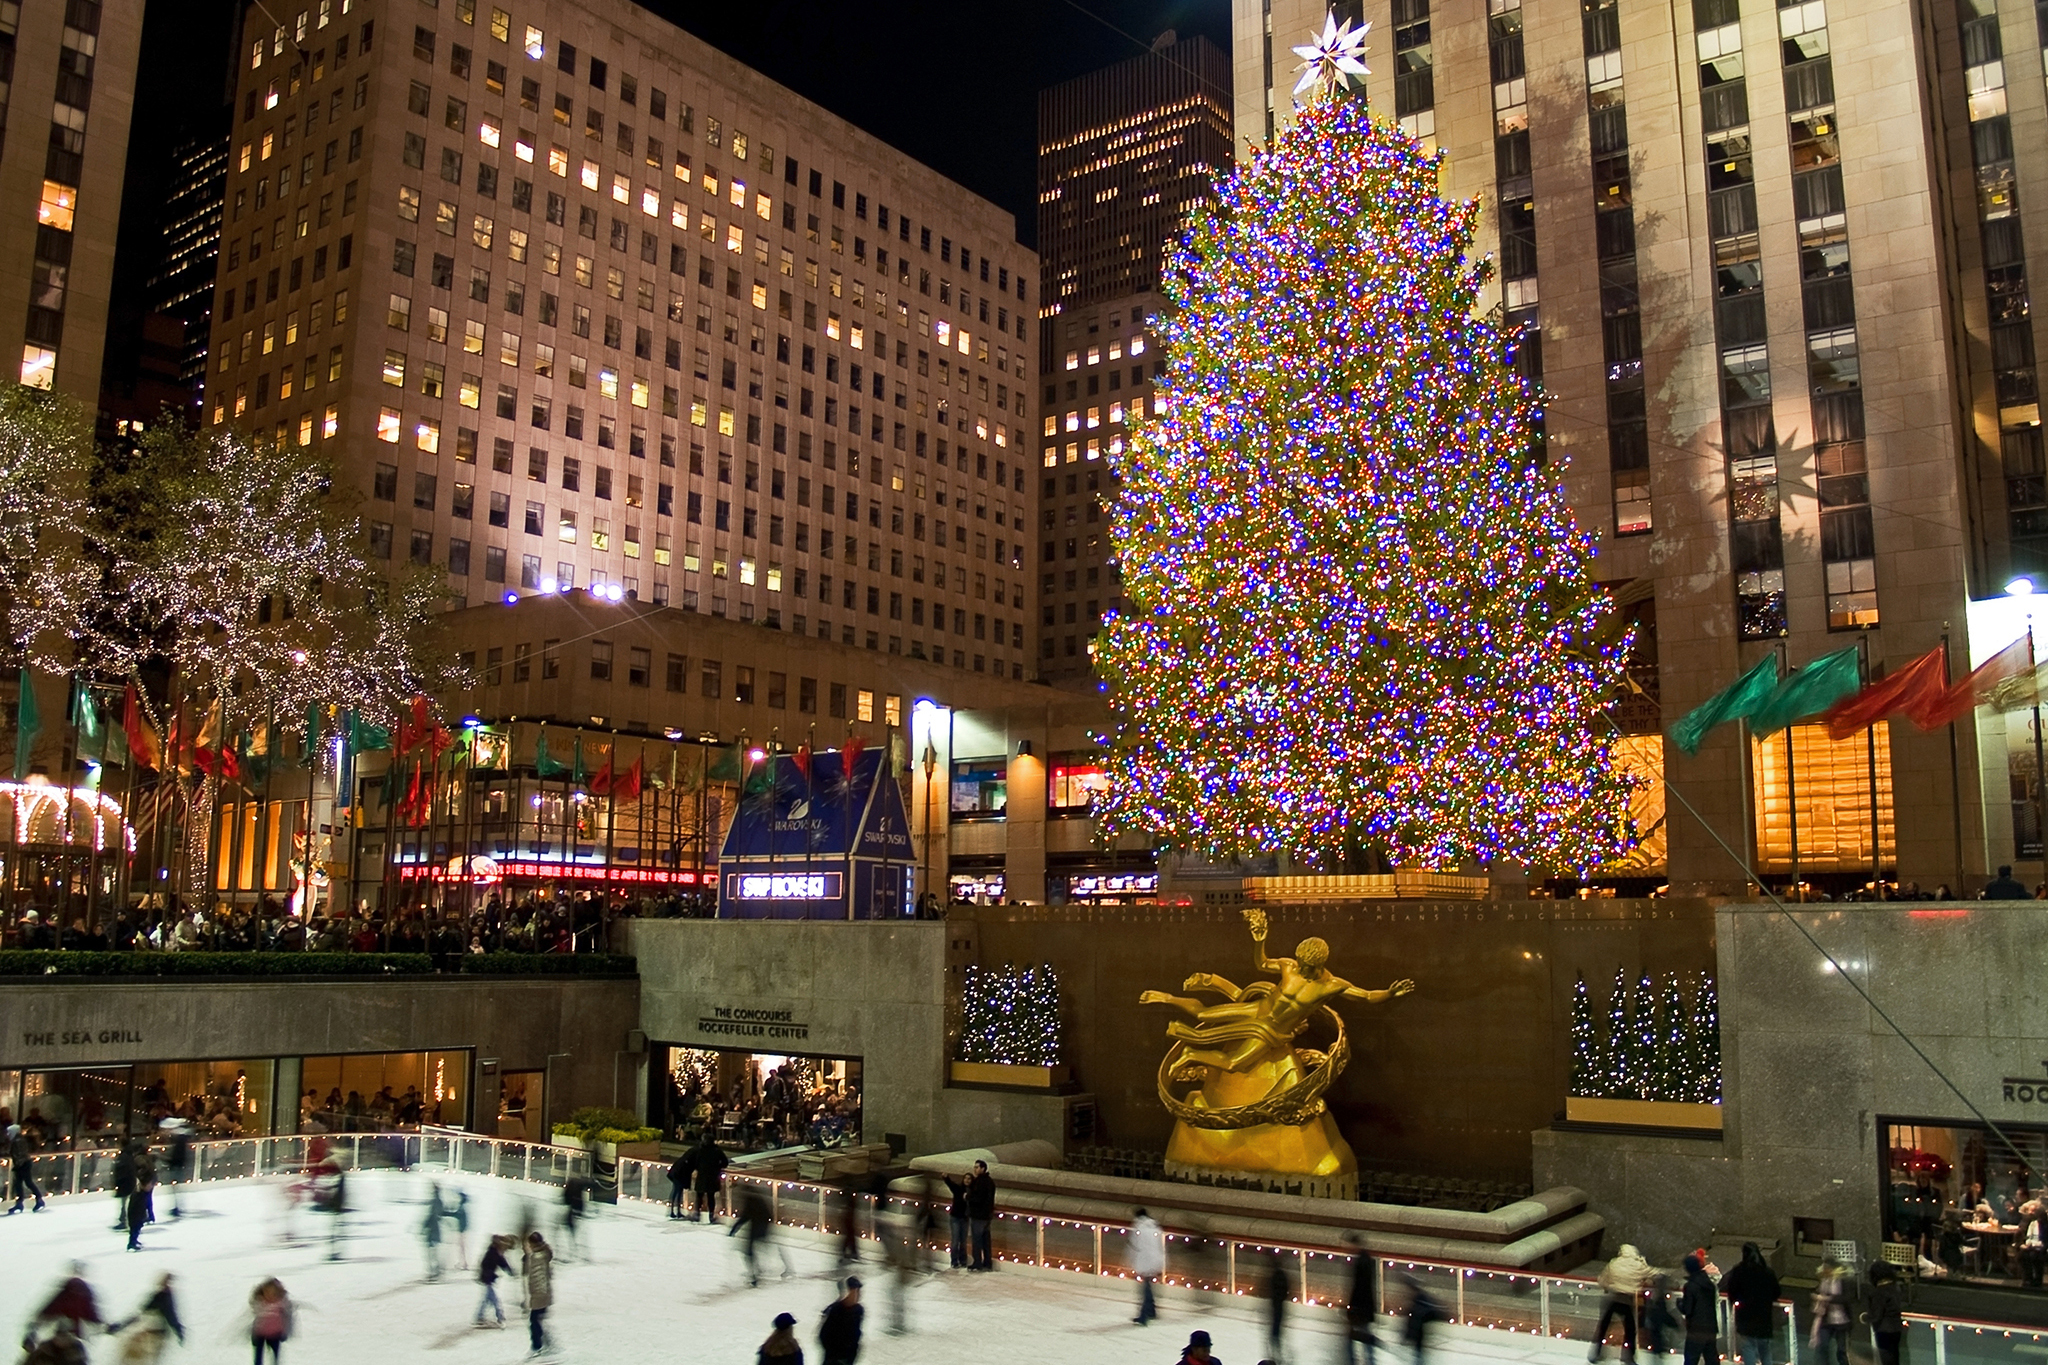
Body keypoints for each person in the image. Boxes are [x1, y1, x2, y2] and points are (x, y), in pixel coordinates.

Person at [1718, 1242, 1781, 1365]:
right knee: (1765, 1348)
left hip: (1745, 1315)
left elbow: (1732, 1291)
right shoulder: (1767, 1272)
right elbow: (1776, 1292)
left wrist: (1737, 1302)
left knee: (1748, 1346)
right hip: (1764, 1315)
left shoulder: (1738, 1271)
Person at [1590, 1243, 1650, 1363]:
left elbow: (1602, 1280)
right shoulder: (1637, 1264)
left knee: (1603, 1327)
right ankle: (1628, 1357)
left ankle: (1595, 1353)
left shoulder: (1614, 1263)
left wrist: (1611, 1287)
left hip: (1612, 1299)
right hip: (1627, 1301)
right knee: (1630, 1331)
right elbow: (1648, 1277)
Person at [111, 1272, 185, 1364]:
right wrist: (179, 1331)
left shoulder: (158, 1296)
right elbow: (170, 1316)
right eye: (168, 1282)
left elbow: (141, 1313)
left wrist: (120, 1326)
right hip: (154, 1334)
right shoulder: (163, 1296)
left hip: (149, 1333)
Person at [1677, 1254, 1719, 1365]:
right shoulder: (1710, 1285)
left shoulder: (1690, 1286)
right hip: (1711, 1328)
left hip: (1696, 1329)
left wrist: (1679, 1303)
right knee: (1712, 1359)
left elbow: (1688, 1309)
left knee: (1691, 1360)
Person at [1344, 1235, 1379, 1365]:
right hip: (1365, 1308)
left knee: (1356, 1338)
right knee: (1365, 1338)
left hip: (1360, 1309)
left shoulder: (1361, 1262)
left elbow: (1359, 1288)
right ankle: (1369, 1361)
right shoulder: (1367, 1259)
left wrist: (1352, 1308)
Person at [1810, 1262, 1851, 1365]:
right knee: (1823, 1346)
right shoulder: (1823, 1282)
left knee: (1842, 1350)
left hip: (1842, 1321)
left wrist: (1827, 1298)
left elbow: (1846, 1298)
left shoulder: (1842, 1282)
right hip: (1827, 1321)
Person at [1130, 1207, 1166, 1325]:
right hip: (1155, 1260)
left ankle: (1144, 1315)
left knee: (1145, 1288)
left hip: (1145, 1261)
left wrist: (1132, 1261)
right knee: (1148, 1286)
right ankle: (1151, 1311)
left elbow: (1134, 1246)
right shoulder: (1155, 1226)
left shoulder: (1139, 1228)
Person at [523, 1230, 555, 1357]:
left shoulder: (536, 1258)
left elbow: (538, 1277)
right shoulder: (544, 1254)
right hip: (543, 1293)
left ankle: (537, 1346)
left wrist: (537, 1295)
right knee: (537, 1320)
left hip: (540, 1294)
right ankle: (545, 1343)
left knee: (534, 1320)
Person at [1867, 1262, 1905, 1365]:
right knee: (1895, 1358)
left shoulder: (1878, 1293)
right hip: (1896, 1329)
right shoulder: (1896, 1288)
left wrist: (1866, 1317)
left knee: (1886, 1360)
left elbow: (1876, 1315)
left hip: (1884, 1330)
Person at [819, 1278, 863, 1365]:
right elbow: (824, 1335)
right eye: (854, 1291)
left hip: (848, 1359)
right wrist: (835, 1354)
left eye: (858, 1291)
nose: (858, 1295)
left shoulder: (858, 1310)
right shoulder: (835, 1310)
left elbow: (855, 1334)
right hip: (833, 1359)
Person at [1403, 1275, 1445, 1365]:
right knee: (1418, 1356)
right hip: (1417, 1336)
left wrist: (1408, 1334)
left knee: (1419, 1357)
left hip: (1419, 1336)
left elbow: (1416, 1319)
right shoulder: (1417, 1301)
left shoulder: (1419, 1301)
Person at [249, 1279, 292, 1365]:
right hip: (260, 1334)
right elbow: (255, 1311)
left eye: (273, 1293)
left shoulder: (281, 1304)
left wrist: (285, 1331)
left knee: (275, 1356)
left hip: (275, 1334)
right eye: (267, 1292)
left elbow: (287, 1318)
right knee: (258, 1357)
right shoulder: (260, 1302)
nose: (270, 1295)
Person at [7, 1121, 46, 1212]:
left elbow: (20, 1153)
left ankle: (38, 1199)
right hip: (22, 1163)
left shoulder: (18, 1140)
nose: (8, 1134)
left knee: (27, 1182)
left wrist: (18, 1165)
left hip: (23, 1164)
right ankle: (20, 1203)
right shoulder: (18, 1139)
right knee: (19, 1184)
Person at [476, 1233, 513, 1328]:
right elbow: (499, 1263)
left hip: (488, 1279)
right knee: (495, 1300)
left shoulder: (494, 1252)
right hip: (488, 1279)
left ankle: (479, 1317)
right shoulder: (493, 1253)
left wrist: (509, 1271)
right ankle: (500, 1318)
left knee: (487, 1299)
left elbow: (502, 1263)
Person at [691, 1131, 728, 1224]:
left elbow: (695, 1162)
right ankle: (711, 1215)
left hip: (702, 1176)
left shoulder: (700, 1150)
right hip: (713, 1176)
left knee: (699, 1196)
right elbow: (725, 1162)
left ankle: (697, 1214)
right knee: (711, 1197)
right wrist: (718, 1167)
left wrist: (698, 1168)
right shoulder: (717, 1150)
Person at [966, 1159, 996, 1270]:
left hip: (979, 1215)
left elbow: (979, 1198)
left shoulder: (981, 1182)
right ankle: (987, 1263)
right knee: (986, 1241)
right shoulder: (989, 1181)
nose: (975, 1169)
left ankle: (977, 1262)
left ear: (983, 1169)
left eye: (977, 1167)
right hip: (987, 1215)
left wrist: (968, 1197)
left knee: (977, 1240)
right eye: (974, 1167)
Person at [127, 1144, 158, 1253]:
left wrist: (144, 1182)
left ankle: (133, 1241)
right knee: (138, 1214)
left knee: (136, 1215)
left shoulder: (139, 1159)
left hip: (142, 1189)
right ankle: (133, 1240)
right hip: (143, 1188)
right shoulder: (145, 1159)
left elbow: (145, 1170)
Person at [1263, 1248, 1291, 1362]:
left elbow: (1279, 1289)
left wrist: (1277, 1298)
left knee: (1275, 1328)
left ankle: (1275, 1347)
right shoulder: (1279, 1275)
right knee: (1276, 1327)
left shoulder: (1277, 1275)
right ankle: (1275, 1346)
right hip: (1277, 1304)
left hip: (1277, 1304)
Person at [942, 1169, 971, 1269]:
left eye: (969, 1179)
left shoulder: (973, 1192)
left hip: (965, 1218)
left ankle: (963, 1260)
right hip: (955, 1217)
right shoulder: (958, 1189)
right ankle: (954, 1261)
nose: (967, 1180)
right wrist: (946, 1177)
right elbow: (951, 1184)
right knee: (955, 1240)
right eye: (965, 1178)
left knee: (963, 1240)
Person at [423, 1183, 448, 1281]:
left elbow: (432, 1215)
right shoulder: (439, 1201)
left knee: (432, 1253)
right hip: (435, 1229)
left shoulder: (435, 1202)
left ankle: (434, 1271)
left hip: (432, 1230)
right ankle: (435, 1271)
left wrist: (424, 1225)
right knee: (433, 1252)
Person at [667, 1150, 692, 1219]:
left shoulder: (681, 1161)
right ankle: (675, 1211)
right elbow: (685, 1173)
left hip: (676, 1177)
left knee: (676, 1193)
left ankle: (674, 1211)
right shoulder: (686, 1163)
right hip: (678, 1178)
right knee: (677, 1193)